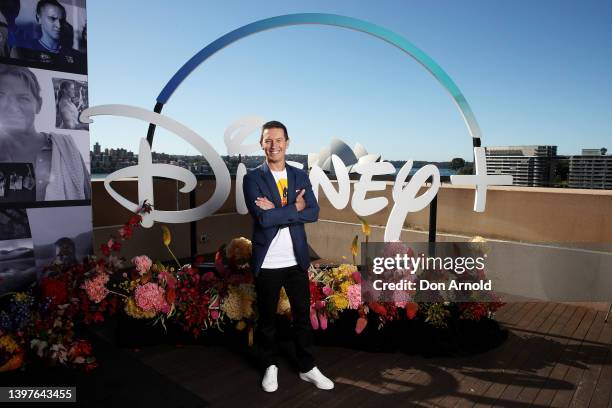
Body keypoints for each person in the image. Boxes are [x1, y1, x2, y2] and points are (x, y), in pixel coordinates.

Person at [243, 120, 334, 392]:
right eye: (268, 140)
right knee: (267, 320)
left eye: (278, 140)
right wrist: (294, 207)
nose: (274, 145)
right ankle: (270, 366)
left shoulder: (299, 176)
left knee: (303, 318)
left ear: (287, 143)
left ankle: (307, 367)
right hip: (268, 261)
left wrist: (279, 211)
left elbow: (314, 212)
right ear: (261, 144)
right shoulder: (252, 178)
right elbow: (263, 218)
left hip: (296, 260)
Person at [0, 64, 90, 201]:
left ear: (39, 105)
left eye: (23, 98)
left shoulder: (65, 148)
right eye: (1, 96)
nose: (12, 107)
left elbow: (85, 196)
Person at [9, 0, 81, 68]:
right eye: (52, 19)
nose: (58, 25)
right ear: (38, 18)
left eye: (62, 20)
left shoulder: (76, 55)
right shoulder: (22, 49)